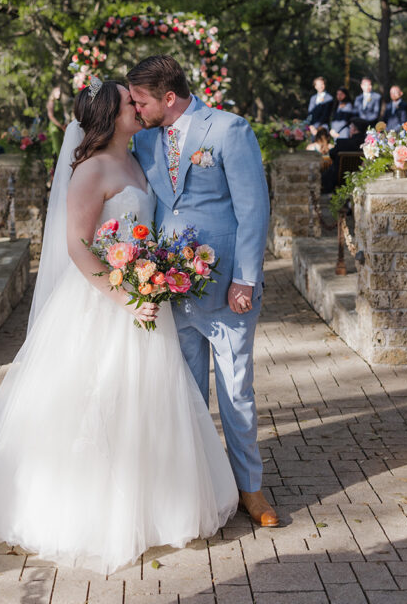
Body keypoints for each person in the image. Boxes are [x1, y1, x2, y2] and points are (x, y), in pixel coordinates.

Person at [0, 79, 238, 573]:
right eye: (128, 102)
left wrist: (156, 279)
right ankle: (95, 513)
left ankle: (155, 504)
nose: (137, 107)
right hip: (105, 302)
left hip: (145, 296)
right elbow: (78, 245)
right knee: (98, 400)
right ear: (107, 115)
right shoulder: (91, 170)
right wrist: (125, 297)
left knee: (148, 402)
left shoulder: (139, 157)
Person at [127, 55, 276, 528]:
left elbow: (254, 209)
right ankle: (200, 491)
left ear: (168, 98)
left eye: (141, 100)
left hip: (227, 288)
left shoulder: (229, 129)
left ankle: (251, 489)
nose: (135, 107)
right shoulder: (145, 139)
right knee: (187, 394)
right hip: (173, 288)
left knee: (236, 392)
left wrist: (246, 279)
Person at [322, 118, 367, 194]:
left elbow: (331, 154)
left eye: (350, 127)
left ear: (353, 129)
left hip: (338, 177)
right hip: (359, 176)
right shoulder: (368, 145)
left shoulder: (343, 143)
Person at [46, 86, 67, 158]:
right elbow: (51, 116)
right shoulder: (51, 102)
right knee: (57, 149)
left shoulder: (59, 102)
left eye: (60, 92)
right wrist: (60, 125)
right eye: (57, 92)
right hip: (55, 128)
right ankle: (57, 166)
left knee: (62, 147)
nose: (59, 93)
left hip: (61, 127)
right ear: (53, 93)